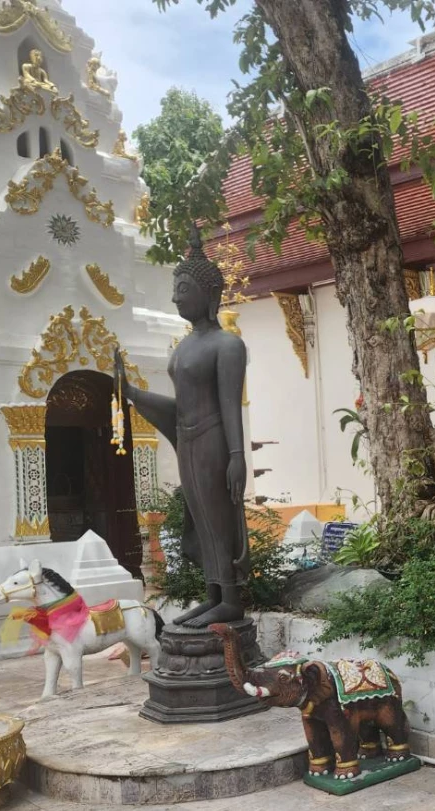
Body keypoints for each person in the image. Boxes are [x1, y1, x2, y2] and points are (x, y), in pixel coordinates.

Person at [117, 228, 250, 627]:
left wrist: (237, 456)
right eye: (175, 288)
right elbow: (179, 407)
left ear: (209, 295)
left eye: (184, 288)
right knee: (200, 518)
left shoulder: (228, 346)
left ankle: (230, 597)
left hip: (213, 441)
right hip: (188, 440)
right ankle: (213, 595)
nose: (176, 297)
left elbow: (230, 406)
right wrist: (133, 393)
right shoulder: (184, 345)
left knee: (218, 517)